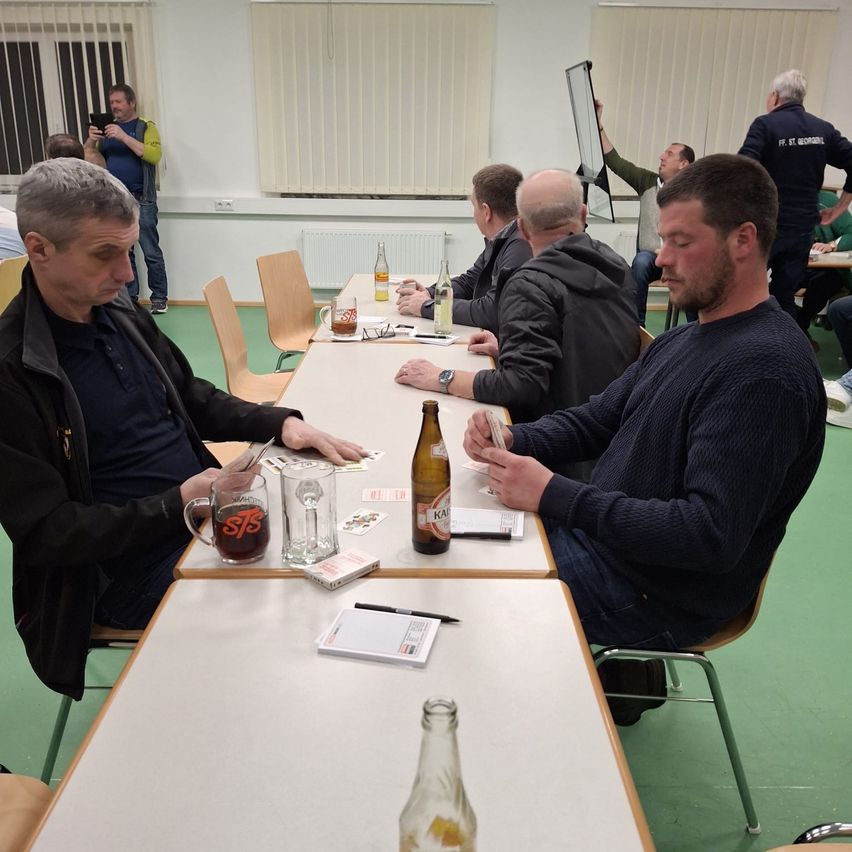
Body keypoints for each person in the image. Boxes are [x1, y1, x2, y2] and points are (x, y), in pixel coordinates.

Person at [463, 154, 825, 725]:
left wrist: (554, 493)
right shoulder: (686, 340)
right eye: (663, 241)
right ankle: (620, 680)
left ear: (743, 240)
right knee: (461, 538)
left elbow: (708, 536)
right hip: (615, 548)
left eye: (680, 242)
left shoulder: (764, 371)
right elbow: (597, 420)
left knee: (471, 595)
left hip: (661, 589)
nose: (660, 260)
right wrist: (512, 436)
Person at [0, 159, 365, 699]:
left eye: (129, 251)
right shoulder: (13, 370)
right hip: (119, 575)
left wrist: (281, 423)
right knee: (297, 610)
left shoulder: (119, 313)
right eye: (105, 254)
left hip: (203, 522)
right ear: (39, 248)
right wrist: (178, 503)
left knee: (329, 546)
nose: (128, 274)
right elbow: (48, 534)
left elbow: (192, 398)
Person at [396, 169, 638, 480]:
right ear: (583, 214)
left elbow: (518, 386)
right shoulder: (617, 266)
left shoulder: (530, 284)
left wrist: (441, 377)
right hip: (618, 443)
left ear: (522, 227)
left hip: (563, 457)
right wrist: (510, 347)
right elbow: (583, 342)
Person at [739, 69, 852, 321]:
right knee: (784, 297)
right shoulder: (822, 129)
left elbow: (742, 168)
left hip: (765, 228)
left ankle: (739, 342)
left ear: (775, 96)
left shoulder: (765, 125)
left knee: (741, 293)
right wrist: (841, 207)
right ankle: (785, 343)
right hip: (802, 231)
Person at [594, 98, 695, 325]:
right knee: (640, 262)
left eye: (669, 154)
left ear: (683, 164)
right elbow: (615, 162)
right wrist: (599, 125)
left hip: (682, 260)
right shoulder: (647, 181)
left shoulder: (696, 193)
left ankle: (697, 329)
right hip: (651, 260)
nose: (661, 156)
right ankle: (636, 325)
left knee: (697, 272)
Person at [396, 164, 532, 330]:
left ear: (486, 212)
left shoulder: (519, 247)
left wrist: (428, 306)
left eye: (473, 206)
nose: (473, 213)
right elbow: (469, 282)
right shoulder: (504, 237)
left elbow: (490, 311)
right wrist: (430, 293)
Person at [85, 83, 170, 314]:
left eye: (118, 102)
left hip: (142, 199)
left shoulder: (145, 127)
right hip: (116, 201)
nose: (114, 106)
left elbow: (153, 155)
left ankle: (159, 298)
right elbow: (88, 158)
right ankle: (131, 298)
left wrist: (123, 136)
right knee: (124, 251)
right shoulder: (106, 132)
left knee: (150, 251)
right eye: (112, 103)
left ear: (132, 102)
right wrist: (91, 141)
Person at [797, 190, 852, 343]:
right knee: (781, 287)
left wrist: (832, 245)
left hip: (829, 270)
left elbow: (850, 233)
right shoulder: (784, 202)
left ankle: (801, 323)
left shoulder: (827, 200)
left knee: (822, 283)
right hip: (796, 266)